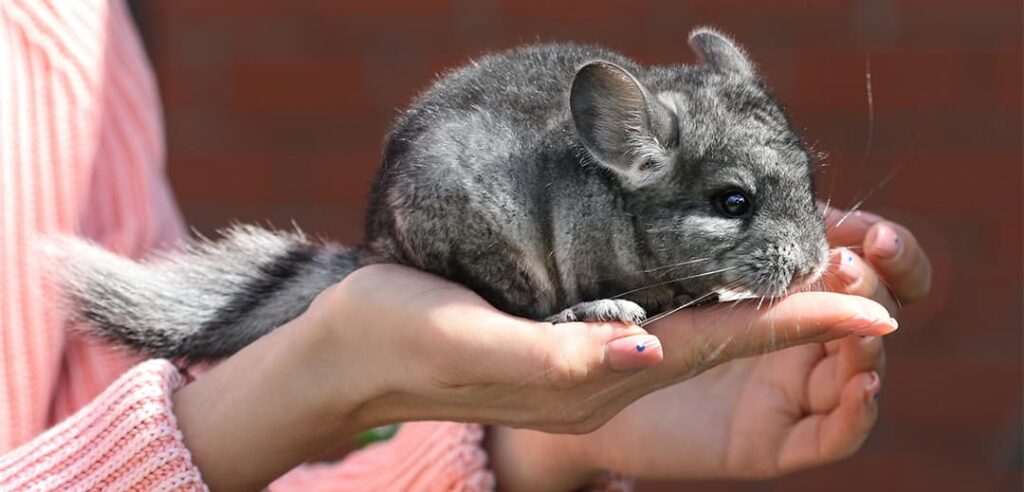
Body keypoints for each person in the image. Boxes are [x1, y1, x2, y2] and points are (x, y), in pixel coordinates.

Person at [0, 1, 932, 490]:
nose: (796, 244)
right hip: (469, 216)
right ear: (633, 155)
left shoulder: (73, 37)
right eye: (736, 206)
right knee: (475, 176)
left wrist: (544, 440)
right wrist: (314, 375)